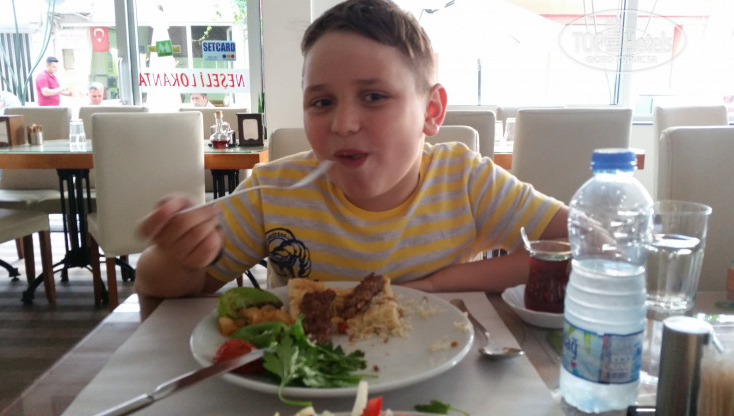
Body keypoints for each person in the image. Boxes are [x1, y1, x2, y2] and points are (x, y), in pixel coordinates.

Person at [134, 0, 568, 319]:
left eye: (374, 96)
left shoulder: (466, 180)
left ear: (431, 111)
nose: (342, 124)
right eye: (321, 102)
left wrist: (439, 283)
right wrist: (176, 255)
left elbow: (584, 245)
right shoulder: (274, 191)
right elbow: (164, 287)